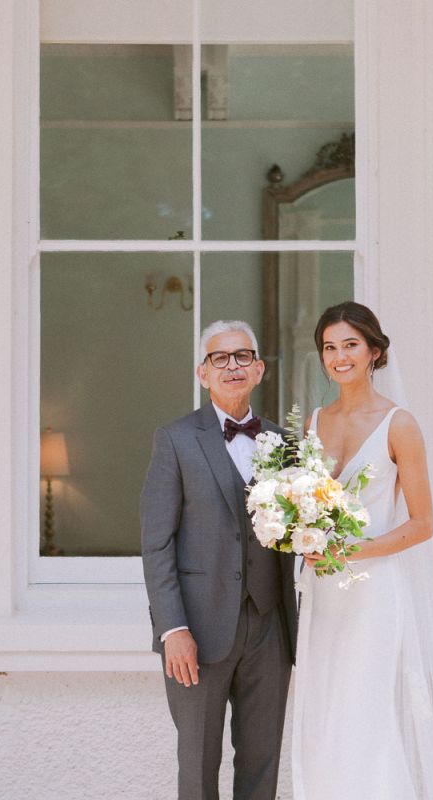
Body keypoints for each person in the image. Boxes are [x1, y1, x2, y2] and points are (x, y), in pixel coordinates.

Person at [292, 301, 433, 800]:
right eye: (329, 347)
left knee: (365, 715)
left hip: (374, 594)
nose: (339, 356)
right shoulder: (312, 422)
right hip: (321, 593)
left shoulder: (399, 424)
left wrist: (355, 551)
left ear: (374, 351)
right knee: (323, 716)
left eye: (350, 345)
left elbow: (423, 524)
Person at [141, 320, 297, 800]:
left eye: (243, 356)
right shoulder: (175, 440)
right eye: (220, 359)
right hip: (198, 631)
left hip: (269, 627)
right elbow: (157, 542)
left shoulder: (284, 443)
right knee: (198, 764)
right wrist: (172, 630)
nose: (233, 366)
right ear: (202, 373)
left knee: (261, 761)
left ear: (259, 370)